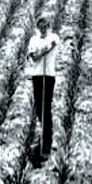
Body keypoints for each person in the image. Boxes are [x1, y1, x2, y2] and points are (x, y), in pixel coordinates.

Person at [26, 13, 60, 157]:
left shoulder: (54, 37)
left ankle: (47, 140)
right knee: (39, 108)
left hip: (49, 75)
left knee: (46, 107)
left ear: (49, 26)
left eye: (45, 25)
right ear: (37, 27)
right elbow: (33, 57)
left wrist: (42, 51)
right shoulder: (33, 39)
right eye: (40, 25)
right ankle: (44, 133)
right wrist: (43, 50)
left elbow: (50, 48)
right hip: (37, 75)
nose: (43, 28)